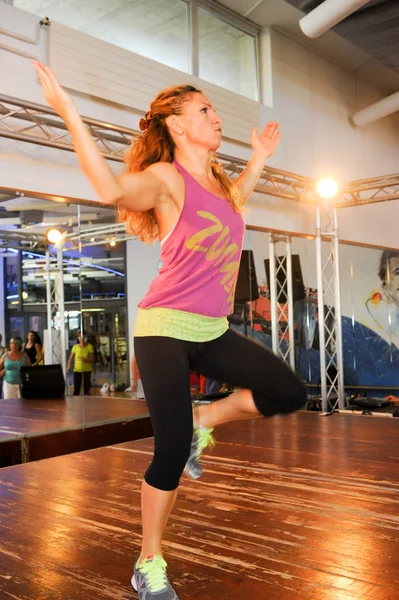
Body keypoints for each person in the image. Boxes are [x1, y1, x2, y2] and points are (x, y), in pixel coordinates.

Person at [34, 61, 307, 600]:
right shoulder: (166, 179)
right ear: (178, 125)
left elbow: (235, 204)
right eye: (204, 109)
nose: (216, 115)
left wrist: (259, 158)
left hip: (210, 328)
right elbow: (111, 184)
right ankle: (148, 561)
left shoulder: (220, 183)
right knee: (170, 446)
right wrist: (69, 113)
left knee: (289, 391)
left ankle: (208, 417)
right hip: (163, 327)